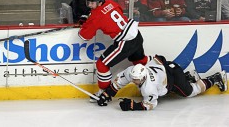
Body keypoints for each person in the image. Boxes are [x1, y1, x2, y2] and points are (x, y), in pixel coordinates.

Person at [78, 0, 150, 101]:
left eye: (93, 3)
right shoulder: (111, 2)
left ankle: (105, 93)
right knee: (139, 61)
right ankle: (152, 78)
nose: (90, 5)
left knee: (102, 64)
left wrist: (85, 24)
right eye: (89, 3)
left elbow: (84, 36)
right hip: (136, 34)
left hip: (125, 42)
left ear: (100, 2)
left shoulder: (96, 16)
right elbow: (113, 14)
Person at [96, 55, 228, 110]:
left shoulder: (149, 88)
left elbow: (150, 105)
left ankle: (215, 78)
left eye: (136, 80)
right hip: (166, 67)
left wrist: (132, 106)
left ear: (143, 78)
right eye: (133, 79)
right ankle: (189, 76)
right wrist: (107, 94)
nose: (134, 81)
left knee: (190, 92)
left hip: (173, 78)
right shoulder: (132, 71)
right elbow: (118, 83)